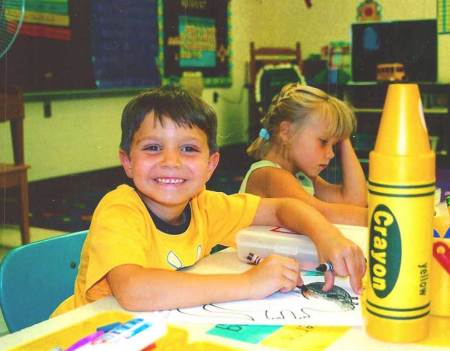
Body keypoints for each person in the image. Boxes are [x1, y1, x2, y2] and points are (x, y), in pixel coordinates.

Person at [52, 86, 365, 316]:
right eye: (152, 148)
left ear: (211, 165)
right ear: (127, 161)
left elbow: (285, 207)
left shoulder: (204, 205)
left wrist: (327, 236)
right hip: (87, 335)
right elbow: (134, 290)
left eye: (188, 149)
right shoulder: (119, 209)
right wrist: (249, 284)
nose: (171, 161)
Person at [241, 83, 368, 226]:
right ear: (286, 132)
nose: (331, 154)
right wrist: (384, 216)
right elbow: (320, 215)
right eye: (323, 141)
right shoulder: (269, 175)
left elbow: (354, 201)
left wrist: (343, 135)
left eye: (334, 145)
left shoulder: (302, 176)